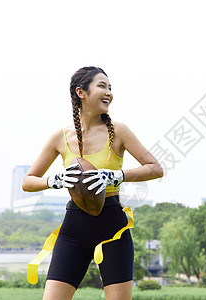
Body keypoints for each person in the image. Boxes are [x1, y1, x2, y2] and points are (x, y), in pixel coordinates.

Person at [22, 66, 164, 300]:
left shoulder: (118, 131)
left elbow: (155, 168)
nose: (109, 92)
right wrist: (53, 180)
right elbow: (28, 181)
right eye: (102, 86)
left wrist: (116, 176)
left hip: (113, 229)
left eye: (110, 88)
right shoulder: (61, 137)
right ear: (81, 92)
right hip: (73, 229)